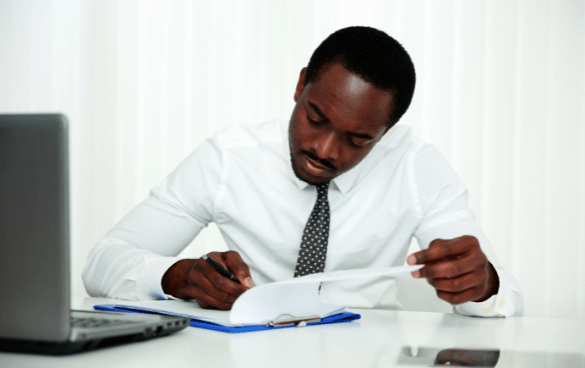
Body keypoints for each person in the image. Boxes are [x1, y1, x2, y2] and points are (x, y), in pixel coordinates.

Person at [83, 26, 523, 317]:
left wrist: (482, 284)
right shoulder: (229, 158)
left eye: (357, 140)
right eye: (315, 117)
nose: (323, 150)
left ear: (385, 134)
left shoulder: (417, 168)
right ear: (300, 86)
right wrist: (178, 277)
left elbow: (506, 304)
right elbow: (103, 262)